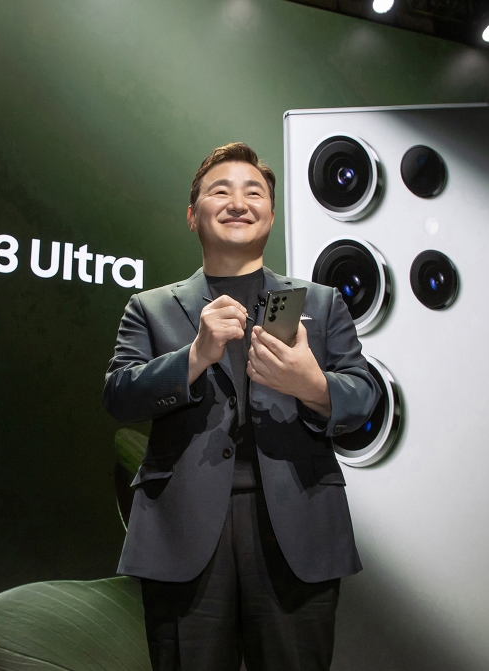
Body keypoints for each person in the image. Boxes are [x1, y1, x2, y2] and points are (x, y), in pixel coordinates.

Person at [103, 142, 380, 671]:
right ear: (192, 216)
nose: (237, 202)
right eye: (220, 191)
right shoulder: (151, 308)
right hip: (182, 531)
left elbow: (363, 394)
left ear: (270, 215)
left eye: (254, 193)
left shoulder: (321, 303)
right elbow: (119, 395)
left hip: (297, 526)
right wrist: (194, 357)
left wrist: (311, 385)